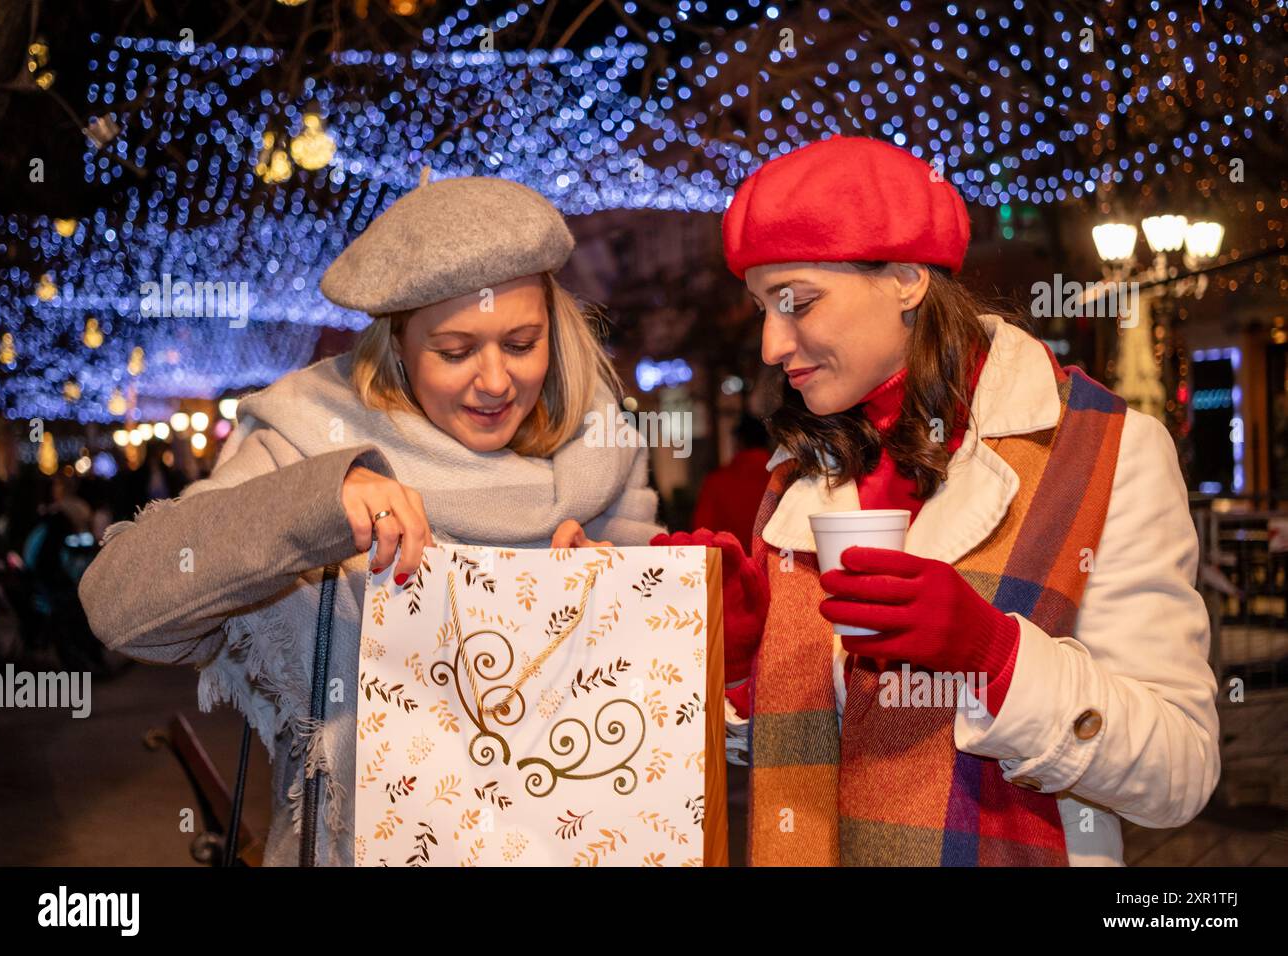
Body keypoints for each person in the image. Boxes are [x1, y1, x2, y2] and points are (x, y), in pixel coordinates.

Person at [655, 136, 1219, 866]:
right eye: (762, 306)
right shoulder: (801, 468)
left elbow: (1180, 773)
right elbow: (810, 750)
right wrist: (739, 664)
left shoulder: (1104, 449)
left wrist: (993, 654)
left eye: (796, 301)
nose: (770, 343)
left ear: (908, 278)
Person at [79, 175, 664, 866]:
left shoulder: (601, 448)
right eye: (454, 350)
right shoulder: (307, 439)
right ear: (398, 345)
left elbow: (651, 706)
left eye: (521, 343)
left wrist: (610, 599)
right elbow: (119, 606)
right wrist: (318, 506)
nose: (496, 381)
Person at [691, 415, 772, 551]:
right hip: (776, 567)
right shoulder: (784, 480)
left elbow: (701, 533)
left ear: (738, 442)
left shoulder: (716, 482)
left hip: (728, 568)